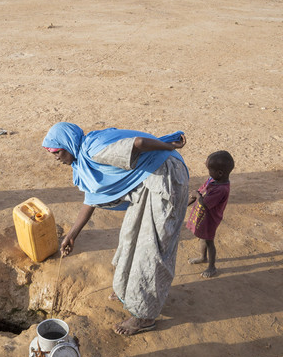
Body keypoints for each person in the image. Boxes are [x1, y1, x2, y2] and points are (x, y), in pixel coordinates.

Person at [43, 122, 189, 336]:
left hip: (165, 179)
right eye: (50, 153)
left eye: (57, 151)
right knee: (131, 236)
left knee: (151, 248)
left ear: (67, 144)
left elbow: (137, 143)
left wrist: (167, 146)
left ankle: (144, 316)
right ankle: (126, 290)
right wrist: (72, 234)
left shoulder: (94, 149)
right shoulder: (84, 156)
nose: (55, 157)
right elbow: (93, 197)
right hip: (146, 182)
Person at [186, 150, 234, 278]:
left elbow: (204, 203)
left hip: (210, 219)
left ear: (220, 172)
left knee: (208, 241)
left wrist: (196, 195)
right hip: (203, 217)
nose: (208, 173)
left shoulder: (220, 189)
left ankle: (212, 267)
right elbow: (200, 192)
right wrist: (188, 202)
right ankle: (202, 257)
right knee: (203, 237)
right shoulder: (213, 180)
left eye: (209, 170)